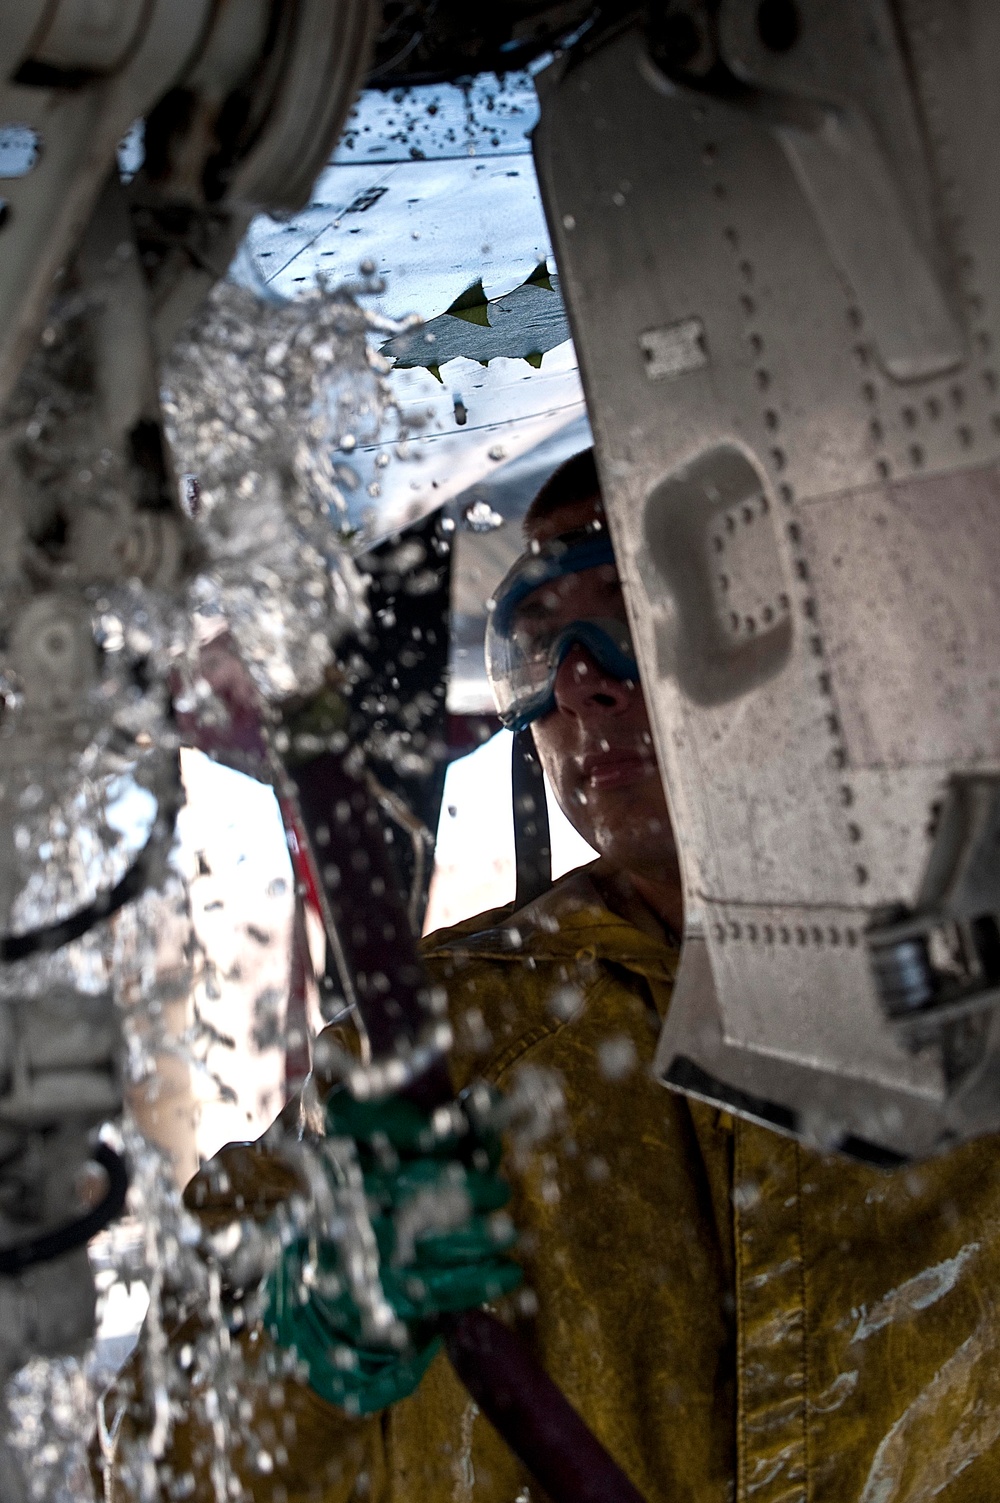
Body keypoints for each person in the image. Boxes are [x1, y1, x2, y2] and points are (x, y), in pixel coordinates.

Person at [103, 449, 1000, 1502]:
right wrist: (306, 1347)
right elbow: (146, 1464)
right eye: (536, 646)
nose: (579, 680)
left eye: (635, 611)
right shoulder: (427, 1052)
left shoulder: (972, 1022)